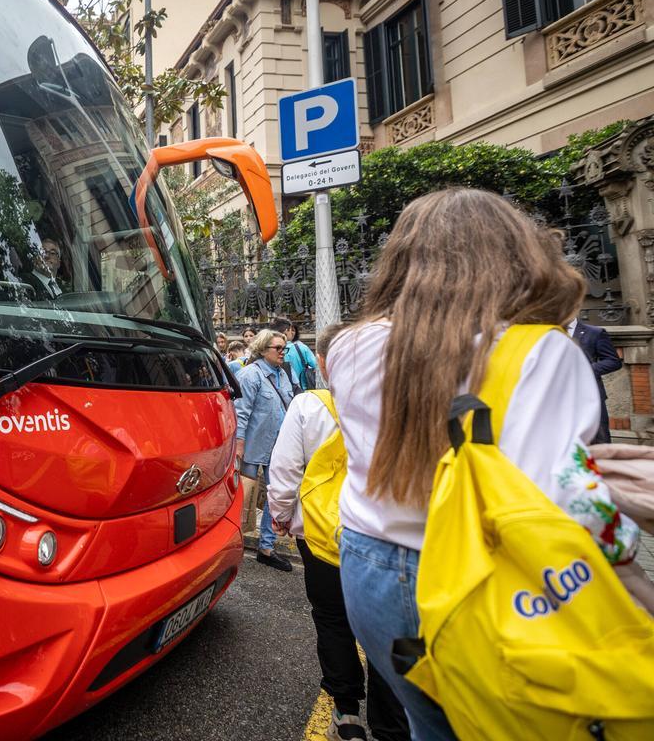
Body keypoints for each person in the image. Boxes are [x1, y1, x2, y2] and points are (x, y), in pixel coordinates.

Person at [326, 188, 640, 740]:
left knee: (427, 722)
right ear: (515, 254)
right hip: (483, 574)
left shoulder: (349, 346)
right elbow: (557, 504)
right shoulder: (538, 351)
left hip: (369, 565)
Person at [267, 322, 410, 741]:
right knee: (387, 630)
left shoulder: (308, 406)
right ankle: (390, 726)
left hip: (320, 535)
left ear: (326, 364)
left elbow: (285, 471)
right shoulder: (400, 408)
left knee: (331, 620)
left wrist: (279, 515)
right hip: (382, 536)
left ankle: (346, 714)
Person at [233, 329, 296, 572]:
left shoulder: (283, 374)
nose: (282, 352)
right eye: (278, 348)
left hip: (278, 446)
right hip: (252, 446)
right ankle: (233, 540)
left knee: (273, 495)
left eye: (284, 348)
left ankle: (266, 547)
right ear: (262, 349)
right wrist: (239, 444)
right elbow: (241, 412)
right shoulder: (250, 375)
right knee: (244, 495)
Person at [567, 315, 622, 443]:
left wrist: (585, 369)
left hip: (590, 395)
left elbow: (613, 361)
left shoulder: (595, 332)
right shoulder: (550, 334)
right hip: (560, 397)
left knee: (599, 440)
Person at [272, 317, 319, 391]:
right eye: (291, 330)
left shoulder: (269, 349)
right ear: (287, 330)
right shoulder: (301, 348)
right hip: (301, 391)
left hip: (278, 393)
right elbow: (317, 366)